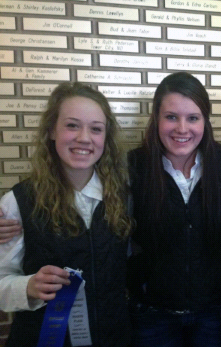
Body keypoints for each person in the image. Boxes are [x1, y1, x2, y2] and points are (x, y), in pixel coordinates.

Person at [0, 82, 132, 346]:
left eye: (96, 129)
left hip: (113, 337)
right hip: (42, 338)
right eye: (72, 125)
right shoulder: (18, 201)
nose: (84, 138)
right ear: (51, 130)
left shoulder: (124, 197)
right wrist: (28, 287)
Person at [127, 72, 221, 346]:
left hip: (213, 314)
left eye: (193, 118)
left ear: (205, 121)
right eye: (171, 117)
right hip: (152, 315)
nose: (182, 129)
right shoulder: (132, 167)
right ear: (156, 118)